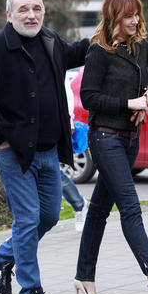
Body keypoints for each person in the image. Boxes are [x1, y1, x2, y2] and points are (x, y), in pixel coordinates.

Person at [0, 0, 89, 294]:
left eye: (36, 8)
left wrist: (109, 34)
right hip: (13, 154)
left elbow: (77, 52)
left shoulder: (50, 41)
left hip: (48, 151)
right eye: (23, 9)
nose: (31, 15)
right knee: (28, 218)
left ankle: (2, 258)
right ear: (9, 15)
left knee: (49, 216)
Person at [73, 0, 148, 294]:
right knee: (130, 207)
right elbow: (88, 97)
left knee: (98, 211)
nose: (134, 21)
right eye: (127, 16)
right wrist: (129, 103)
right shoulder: (99, 50)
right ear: (113, 17)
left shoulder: (140, 46)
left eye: (136, 14)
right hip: (105, 137)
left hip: (130, 139)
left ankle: (84, 277)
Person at [61, 75, 89, 232]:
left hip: (50, 126)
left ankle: (79, 205)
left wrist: (69, 120)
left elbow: (65, 92)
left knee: (51, 171)